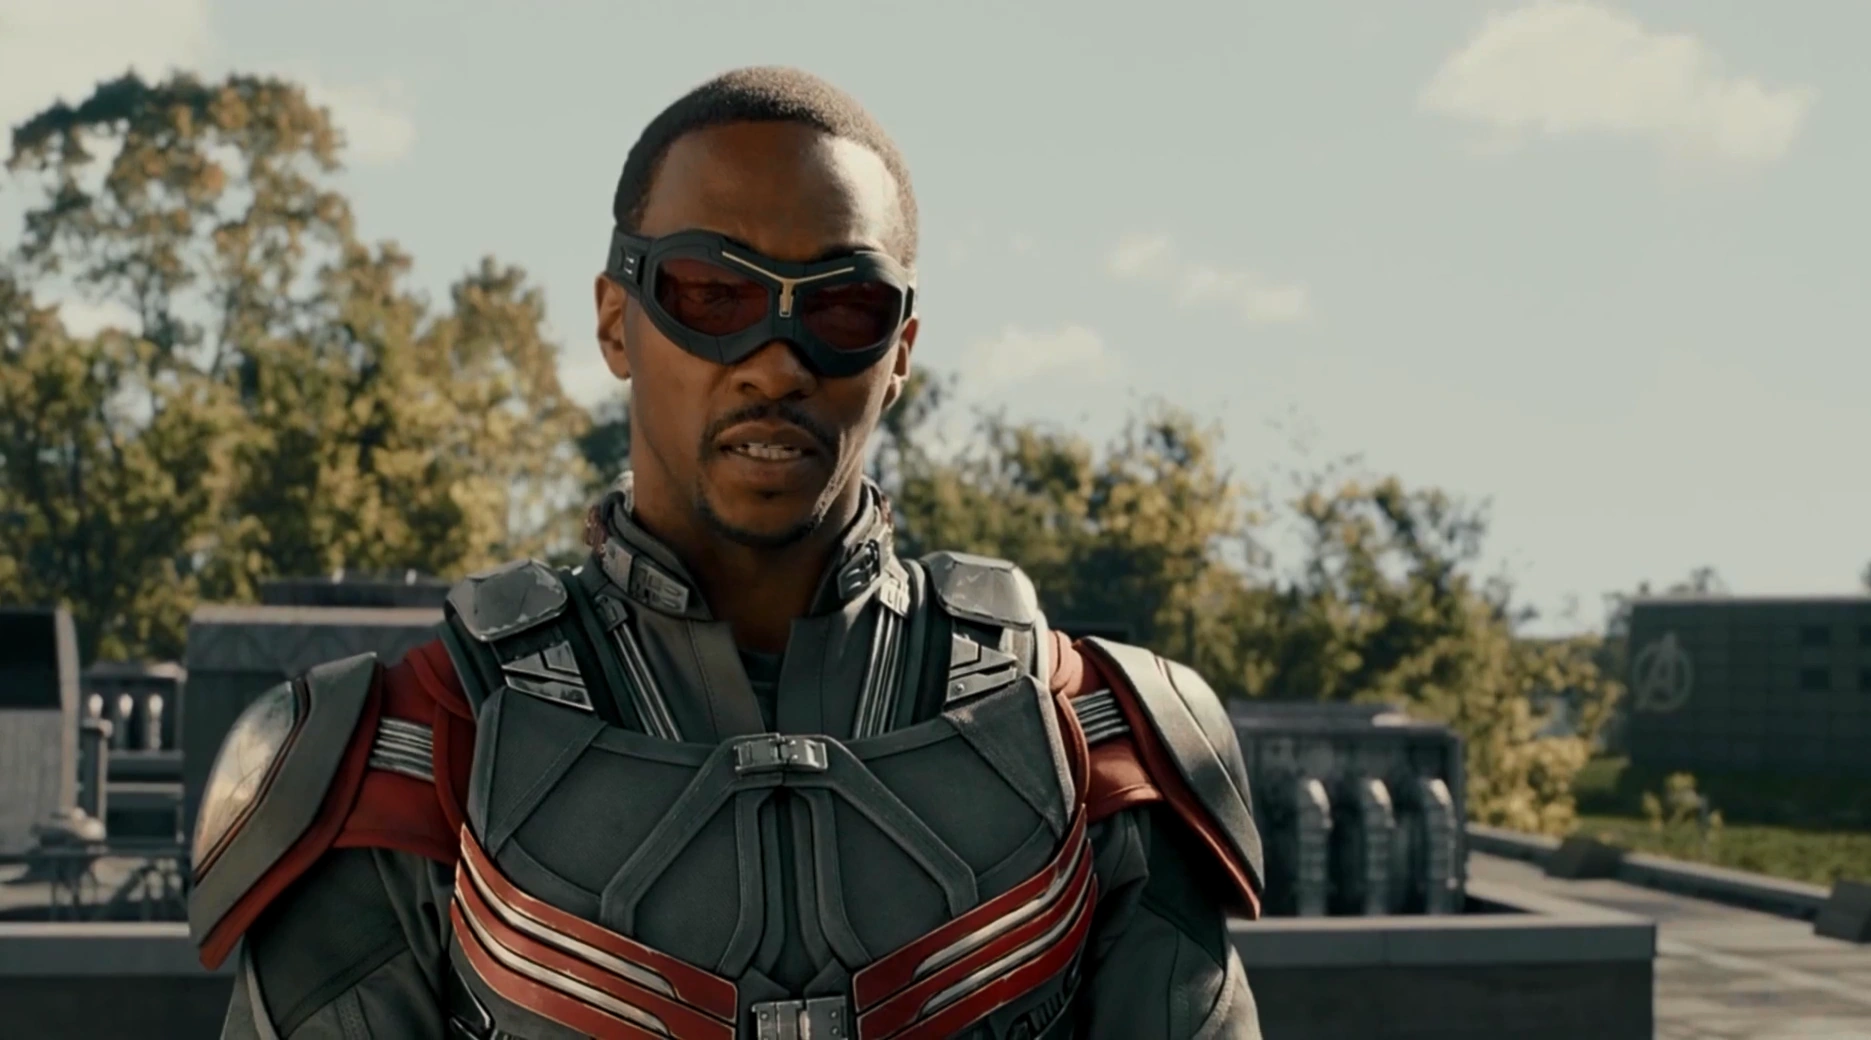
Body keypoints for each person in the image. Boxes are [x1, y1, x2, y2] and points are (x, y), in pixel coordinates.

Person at [188, 65, 1264, 1040]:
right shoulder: (413, 751)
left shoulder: (1092, 742)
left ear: (899, 353)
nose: (776, 360)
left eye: (843, 306)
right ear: (616, 321)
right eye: (713, 294)